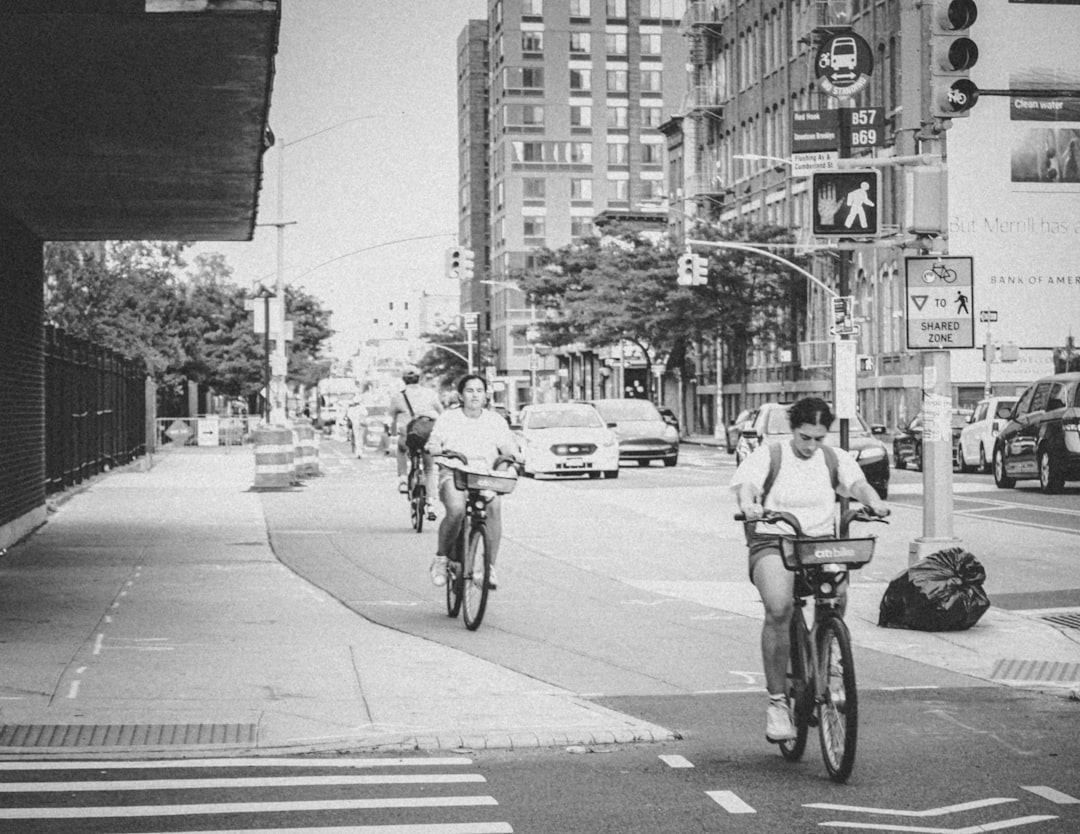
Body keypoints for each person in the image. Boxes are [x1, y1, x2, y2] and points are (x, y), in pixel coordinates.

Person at [731, 397, 888, 744]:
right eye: (805, 437)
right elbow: (748, 487)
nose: (811, 446)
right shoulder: (770, 456)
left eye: (819, 438)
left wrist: (872, 500)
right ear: (793, 429)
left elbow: (857, 484)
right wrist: (749, 505)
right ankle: (776, 703)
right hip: (774, 540)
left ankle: (824, 648)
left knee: (837, 598)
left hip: (818, 544)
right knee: (779, 607)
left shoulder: (833, 458)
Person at [425, 374, 519, 590]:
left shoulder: (495, 420)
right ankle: (441, 559)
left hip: (485, 476)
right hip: (454, 471)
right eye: (470, 390)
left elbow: (507, 447)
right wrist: (435, 447)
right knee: (456, 510)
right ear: (461, 395)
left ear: (486, 395)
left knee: (494, 508)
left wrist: (515, 455)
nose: (475, 395)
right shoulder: (449, 418)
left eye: (479, 390)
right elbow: (435, 440)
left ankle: (489, 568)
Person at [388, 367, 443, 519]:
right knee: (429, 469)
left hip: (409, 436)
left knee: (400, 449)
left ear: (403, 380)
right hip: (427, 436)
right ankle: (431, 503)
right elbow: (442, 413)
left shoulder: (398, 397)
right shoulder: (430, 394)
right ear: (420, 378)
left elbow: (390, 417)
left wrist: (389, 429)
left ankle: (403, 479)